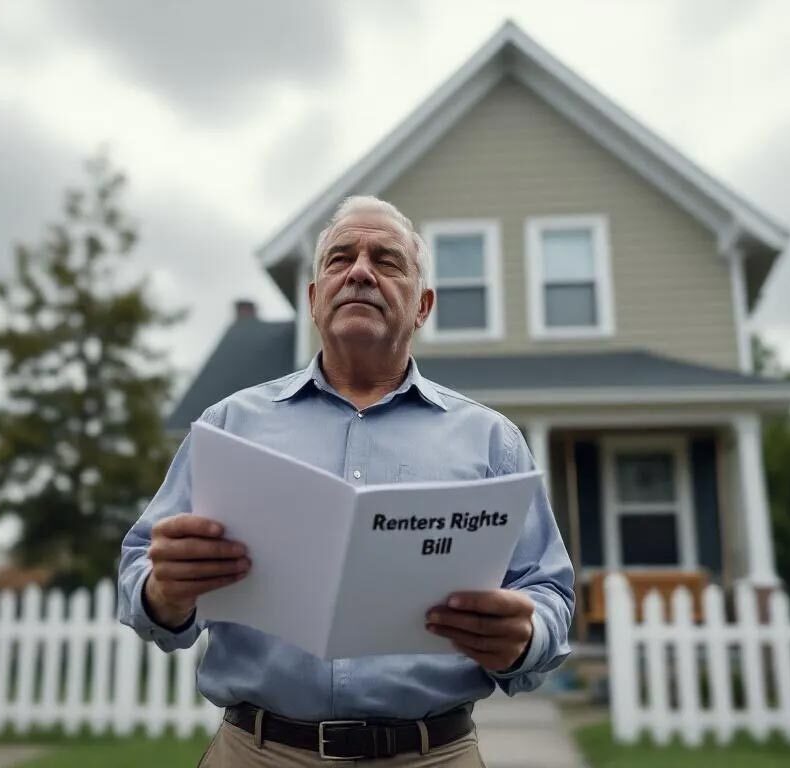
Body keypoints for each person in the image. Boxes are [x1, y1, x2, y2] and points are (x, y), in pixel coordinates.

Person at [119, 196, 574, 765]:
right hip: (256, 754)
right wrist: (164, 592)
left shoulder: (491, 439)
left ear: (423, 306)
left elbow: (549, 591)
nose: (359, 271)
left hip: (433, 755)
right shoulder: (229, 426)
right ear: (313, 299)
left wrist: (524, 637)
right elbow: (139, 567)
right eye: (339, 259)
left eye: (386, 260)